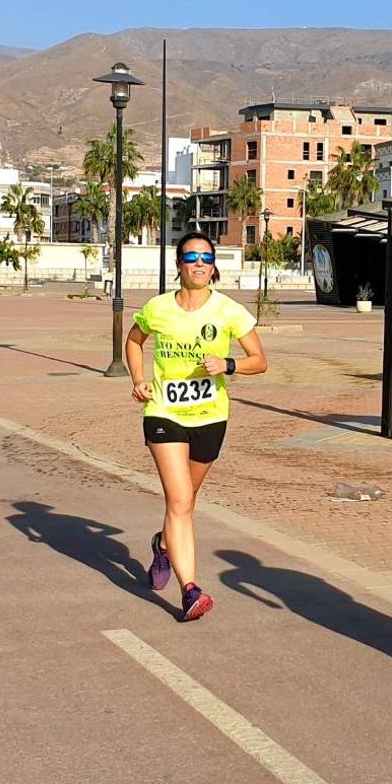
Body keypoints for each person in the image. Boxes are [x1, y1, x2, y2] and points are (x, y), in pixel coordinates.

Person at [124, 232, 267, 621]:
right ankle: (190, 590)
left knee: (185, 501)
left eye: (206, 257)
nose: (199, 263)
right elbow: (134, 341)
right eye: (191, 256)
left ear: (214, 265)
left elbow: (260, 360)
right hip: (164, 413)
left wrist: (230, 365)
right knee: (181, 501)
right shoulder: (157, 308)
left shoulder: (229, 310)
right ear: (179, 264)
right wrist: (138, 378)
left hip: (210, 417)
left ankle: (163, 545)